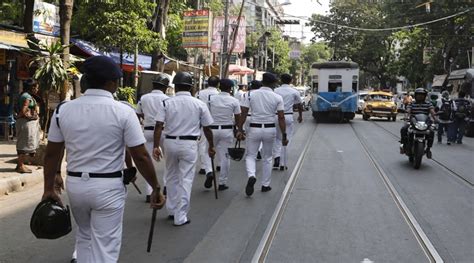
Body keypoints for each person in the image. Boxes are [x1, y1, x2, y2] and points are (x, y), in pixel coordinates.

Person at [41, 56, 165, 263]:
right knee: (105, 247)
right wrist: (156, 187)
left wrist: (48, 188)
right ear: (111, 83)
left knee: (84, 235)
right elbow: (141, 156)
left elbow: (52, 154)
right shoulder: (124, 112)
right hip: (108, 187)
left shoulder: (63, 110)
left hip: (76, 185)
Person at [153, 71, 215, 226]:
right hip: (189, 144)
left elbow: (159, 125)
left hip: (170, 143)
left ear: (175, 86)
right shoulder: (199, 104)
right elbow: (207, 128)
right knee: (185, 179)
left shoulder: (167, 102)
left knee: (172, 176)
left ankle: (172, 210)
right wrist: (211, 146)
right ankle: (180, 217)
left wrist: (155, 146)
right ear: (191, 87)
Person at [237, 73, 287, 196]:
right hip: (270, 129)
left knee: (250, 155)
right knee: (268, 157)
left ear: (262, 81)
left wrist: (239, 128)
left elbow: (243, 113)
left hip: (254, 128)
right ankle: (265, 185)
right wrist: (284, 134)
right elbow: (281, 117)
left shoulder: (249, 94)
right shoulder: (277, 97)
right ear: (274, 83)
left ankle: (252, 175)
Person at [136, 73, 170, 202]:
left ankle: (150, 192)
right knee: (169, 161)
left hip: (148, 131)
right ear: (165, 87)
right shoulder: (168, 99)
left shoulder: (144, 98)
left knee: (148, 161)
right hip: (164, 131)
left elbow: (138, 114)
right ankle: (167, 185)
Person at [208, 78, 241, 190]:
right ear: (230, 88)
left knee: (208, 152)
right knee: (225, 157)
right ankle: (222, 182)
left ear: (219, 87)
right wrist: (238, 130)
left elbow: (206, 115)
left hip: (212, 129)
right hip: (227, 131)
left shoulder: (210, 99)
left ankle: (209, 171)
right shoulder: (234, 101)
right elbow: (237, 118)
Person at [272, 73, 303, 171]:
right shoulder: (294, 91)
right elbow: (299, 105)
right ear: (291, 81)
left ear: (281, 80)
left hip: (276, 116)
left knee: (277, 138)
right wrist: (300, 116)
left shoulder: (275, 90)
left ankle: (276, 157)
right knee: (286, 138)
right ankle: (282, 163)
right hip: (288, 116)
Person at [400, 88, 437, 158]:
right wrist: (406, 117)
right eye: (419, 95)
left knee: (432, 132)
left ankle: (428, 149)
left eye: (422, 95)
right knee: (404, 129)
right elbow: (408, 111)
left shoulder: (428, 104)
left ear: (425, 96)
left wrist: (436, 119)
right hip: (414, 123)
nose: (420, 96)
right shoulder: (412, 103)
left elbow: (432, 112)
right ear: (415, 95)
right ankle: (404, 145)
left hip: (425, 124)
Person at [15, 79, 40, 173]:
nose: (37, 89)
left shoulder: (22, 94)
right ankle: (21, 166)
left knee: (23, 143)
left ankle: (20, 165)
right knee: (23, 145)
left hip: (23, 122)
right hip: (25, 123)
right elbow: (24, 108)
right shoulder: (27, 97)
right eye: (36, 87)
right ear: (32, 88)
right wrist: (20, 116)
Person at [196, 76, 220, 176]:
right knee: (216, 144)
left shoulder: (199, 93)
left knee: (202, 145)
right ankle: (219, 164)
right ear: (218, 84)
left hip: (202, 122)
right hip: (216, 122)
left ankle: (204, 167)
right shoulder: (219, 94)